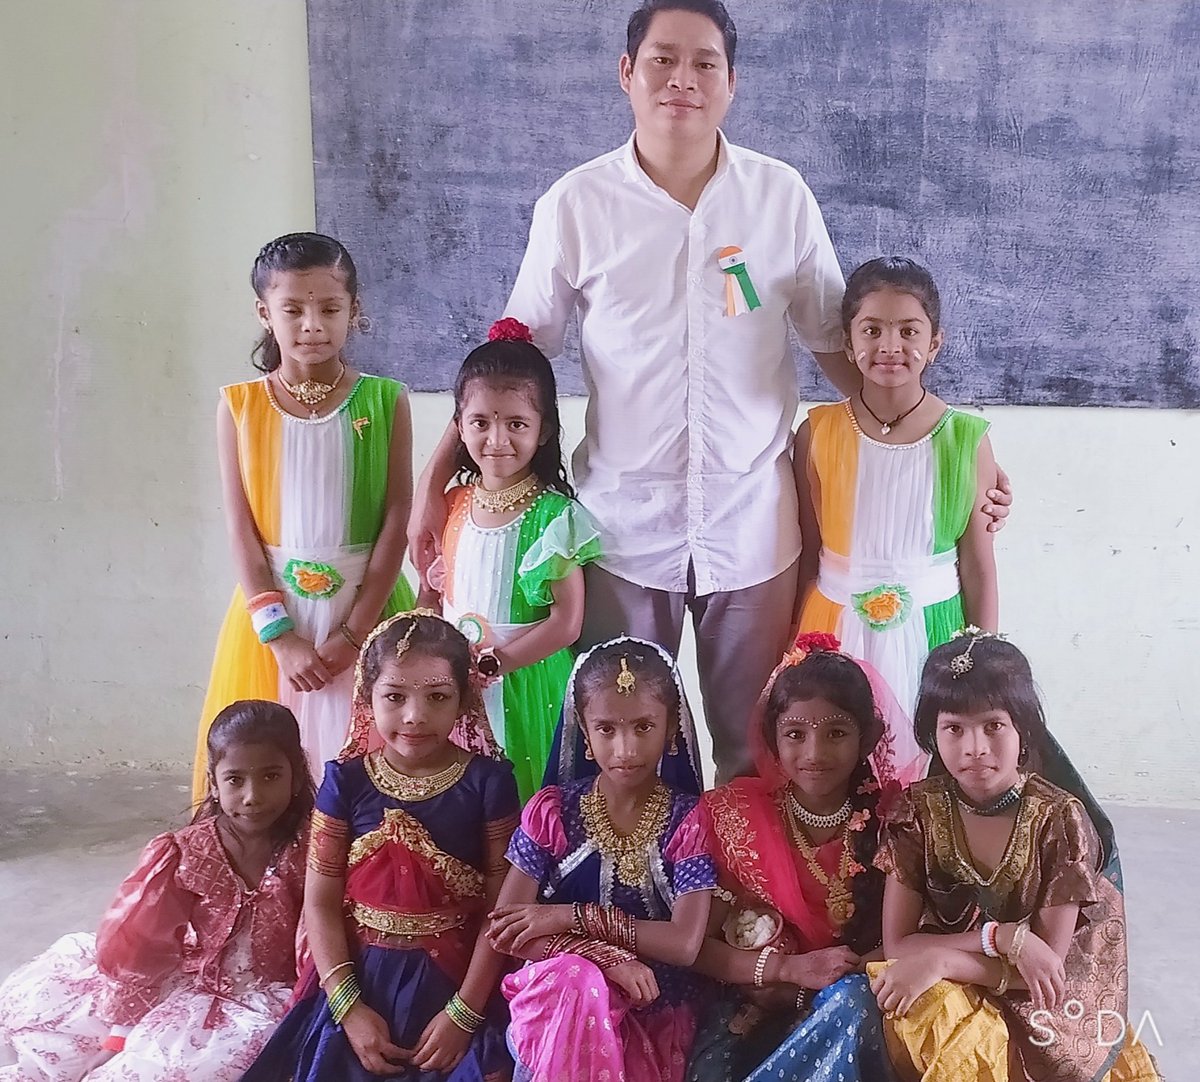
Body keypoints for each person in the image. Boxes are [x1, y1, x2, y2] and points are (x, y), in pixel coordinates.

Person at [408, 1, 1012, 782]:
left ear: (732, 82)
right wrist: (436, 483)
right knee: (622, 745)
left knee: (756, 741)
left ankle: (746, 905)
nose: (681, 80)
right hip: (621, 530)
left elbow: (845, 352)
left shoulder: (779, 196)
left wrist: (953, 462)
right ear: (627, 73)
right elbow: (508, 362)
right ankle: (634, 900)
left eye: (703, 63)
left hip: (753, 528)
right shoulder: (577, 205)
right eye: (662, 60)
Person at [869, 632, 1161, 1082]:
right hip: (965, 974)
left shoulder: (1059, 820)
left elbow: (1044, 970)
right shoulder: (917, 813)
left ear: (1024, 727)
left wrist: (944, 959)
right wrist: (1002, 937)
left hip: (1048, 1005)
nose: (974, 748)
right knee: (915, 999)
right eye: (954, 729)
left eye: (993, 726)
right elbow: (900, 946)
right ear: (933, 734)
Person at [241, 612, 518, 1082]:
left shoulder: (489, 783)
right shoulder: (344, 783)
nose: (414, 715)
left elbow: (502, 911)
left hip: (459, 983)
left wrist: (465, 1013)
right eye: (394, 697)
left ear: (463, 700)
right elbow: (321, 904)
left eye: (437, 697)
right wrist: (348, 1010)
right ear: (368, 698)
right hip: (360, 984)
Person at [193, 232, 416, 798]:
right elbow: (240, 526)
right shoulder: (241, 408)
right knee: (273, 759)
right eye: (293, 309)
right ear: (265, 314)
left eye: (329, 308)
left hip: (366, 608)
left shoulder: (385, 401)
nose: (312, 324)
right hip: (274, 619)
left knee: (372, 755)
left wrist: (354, 631)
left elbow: (396, 517)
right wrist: (282, 638)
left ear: (354, 311)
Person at [0, 701, 314, 1081]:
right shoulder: (184, 853)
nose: (252, 796)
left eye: (270, 777)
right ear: (213, 782)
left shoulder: (315, 848)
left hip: (278, 995)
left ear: (295, 778)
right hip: (198, 986)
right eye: (235, 779)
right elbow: (142, 945)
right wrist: (120, 1035)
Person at [486, 638, 715, 1082]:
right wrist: (602, 957)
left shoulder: (689, 821)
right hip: (560, 999)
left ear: (671, 731)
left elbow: (684, 944)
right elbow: (507, 930)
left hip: (655, 1004)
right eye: (607, 729)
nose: (625, 749)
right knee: (577, 980)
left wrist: (567, 916)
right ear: (585, 735)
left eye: (644, 727)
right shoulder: (550, 811)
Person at [795, 256, 999, 729]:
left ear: (935, 344)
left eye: (909, 331)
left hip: (935, 628)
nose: (890, 345)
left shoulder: (965, 438)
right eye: (871, 330)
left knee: (923, 755)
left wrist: (983, 665)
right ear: (847, 342)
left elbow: (978, 565)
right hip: (832, 626)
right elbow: (808, 551)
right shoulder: (818, 432)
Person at [687, 634, 900, 1081]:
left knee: (854, 1008)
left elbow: (912, 936)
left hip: (857, 1003)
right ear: (772, 738)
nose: (814, 754)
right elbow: (695, 945)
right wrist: (783, 971)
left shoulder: (898, 822)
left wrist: (831, 982)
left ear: (868, 738)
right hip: (752, 999)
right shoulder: (733, 815)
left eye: (836, 733)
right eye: (795, 734)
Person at [424, 316, 601, 800]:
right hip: (453, 680)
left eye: (516, 424)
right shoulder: (454, 504)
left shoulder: (555, 517)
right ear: (459, 426)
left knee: (524, 798)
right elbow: (435, 598)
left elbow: (567, 622)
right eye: (480, 423)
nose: (497, 440)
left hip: (528, 682)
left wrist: (496, 664)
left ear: (544, 431)